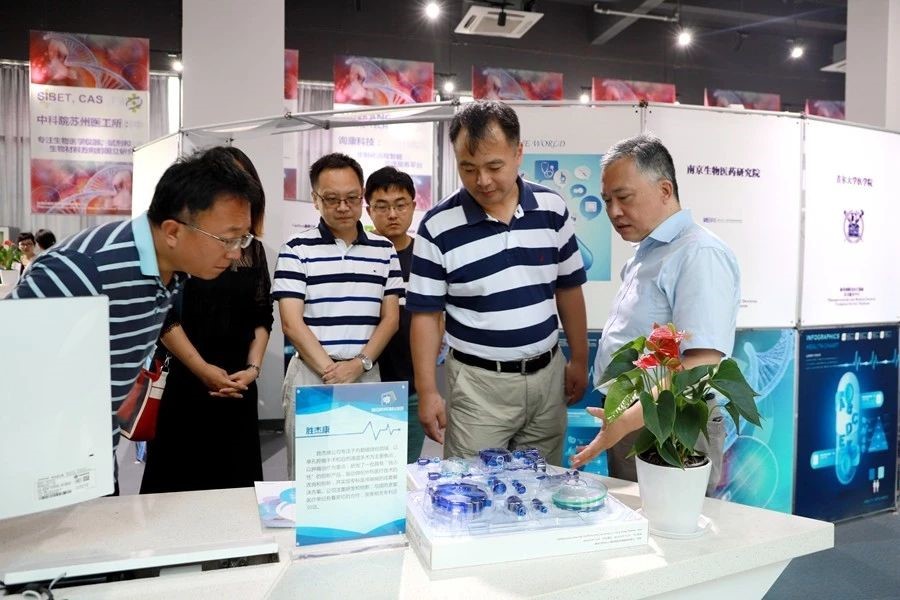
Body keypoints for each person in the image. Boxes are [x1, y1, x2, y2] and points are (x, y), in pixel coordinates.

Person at [7, 147, 262, 491]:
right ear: (172, 231)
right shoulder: (83, 270)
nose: (236, 253)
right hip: (35, 471)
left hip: (92, 457)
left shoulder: (171, 271)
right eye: (227, 239)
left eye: (242, 238)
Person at [406, 100, 589, 466]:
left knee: (542, 481)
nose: (482, 181)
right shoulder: (437, 226)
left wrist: (580, 359)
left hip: (547, 378)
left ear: (518, 153)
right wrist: (427, 391)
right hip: (478, 387)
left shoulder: (551, 209)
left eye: (494, 166)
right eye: (468, 168)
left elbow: (568, 289)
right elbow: (426, 316)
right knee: (473, 485)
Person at [570, 134, 740, 494]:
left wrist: (628, 419)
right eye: (607, 200)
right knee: (636, 523)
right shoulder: (648, 251)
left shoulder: (698, 253)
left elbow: (701, 362)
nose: (614, 211)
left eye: (624, 197)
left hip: (670, 423)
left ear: (665, 190)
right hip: (634, 417)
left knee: (669, 525)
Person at [140, 147, 273, 494]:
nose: (232, 250)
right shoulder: (182, 246)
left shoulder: (252, 250)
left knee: (236, 489)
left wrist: (253, 368)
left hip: (238, 380)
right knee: (175, 487)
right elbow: (164, 314)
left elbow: (262, 315)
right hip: (186, 376)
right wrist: (201, 368)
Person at [273, 153, 401, 478]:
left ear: (362, 197)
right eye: (332, 199)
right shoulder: (295, 249)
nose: (343, 207)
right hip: (311, 373)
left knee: (365, 475)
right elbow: (291, 323)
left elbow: (390, 319)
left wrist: (359, 365)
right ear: (316, 199)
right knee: (311, 476)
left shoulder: (385, 250)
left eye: (352, 198)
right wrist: (332, 373)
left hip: (365, 373)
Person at [364, 166, 426, 464]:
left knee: (406, 472)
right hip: (364, 385)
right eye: (382, 206)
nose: (392, 214)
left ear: (413, 206)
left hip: (412, 387)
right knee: (366, 470)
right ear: (368, 210)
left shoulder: (427, 257)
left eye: (400, 205)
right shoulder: (359, 255)